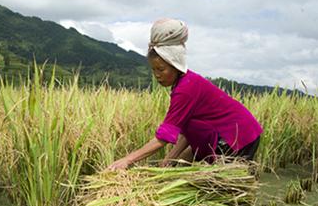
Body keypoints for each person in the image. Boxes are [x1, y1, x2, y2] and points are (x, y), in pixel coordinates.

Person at [108, 18, 263, 170]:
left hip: (238, 136)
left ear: (175, 65)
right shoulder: (184, 84)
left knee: (220, 187)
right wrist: (170, 159)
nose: (157, 75)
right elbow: (186, 131)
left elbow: (163, 138)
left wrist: (127, 160)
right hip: (228, 134)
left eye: (161, 69)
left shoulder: (186, 89)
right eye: (153, 69)